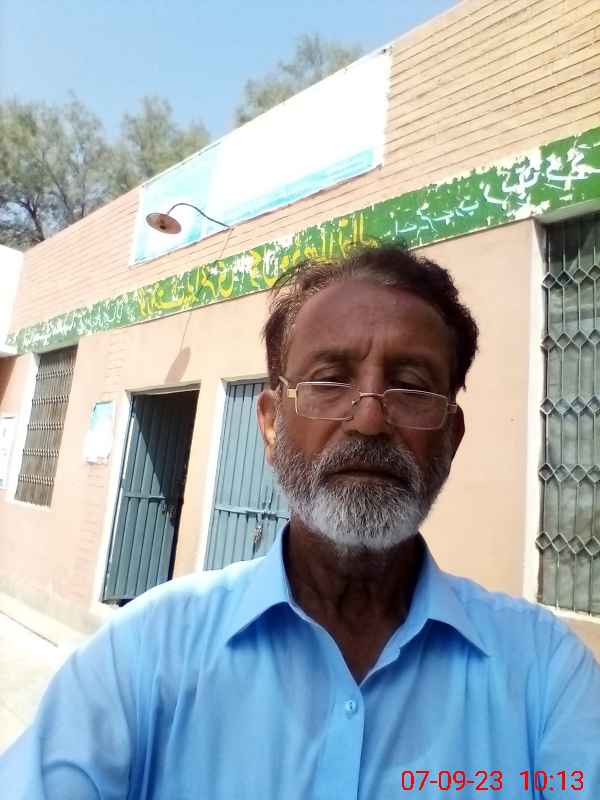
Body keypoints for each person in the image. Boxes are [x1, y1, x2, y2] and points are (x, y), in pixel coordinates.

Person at [1, 243, 599, 798]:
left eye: (411, 386)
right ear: (270, 424)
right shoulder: (144, 650)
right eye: (329, 380)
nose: (369, 420)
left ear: (451, 436)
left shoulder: (544, 673)